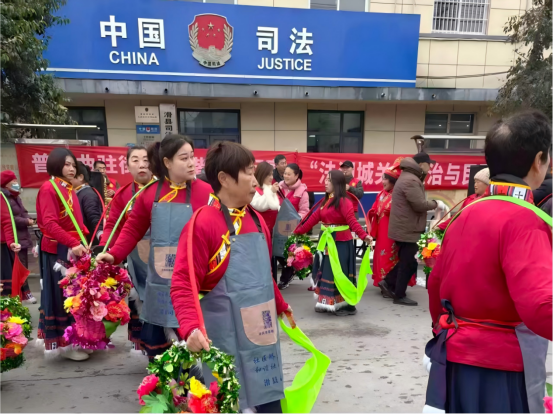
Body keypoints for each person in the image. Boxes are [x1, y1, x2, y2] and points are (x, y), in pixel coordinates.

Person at [425, 110, 553, 414]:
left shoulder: (465, 213)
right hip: (500, 369)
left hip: (455, 357)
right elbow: (541, 307)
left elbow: (435, 284)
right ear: (539, 161)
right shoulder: (526, 221)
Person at [171, 141, 291, 414]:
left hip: (261, 337)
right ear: (224, 178)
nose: (255, 180)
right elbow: (183, 284)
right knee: (231, 402)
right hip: (223, 338)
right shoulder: (203, 223)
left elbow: (264, 275)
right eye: (248, 172)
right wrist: (190, 328)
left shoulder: (257, 220)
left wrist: (280, 304)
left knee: (268, 401)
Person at [96, 135, 212, 360]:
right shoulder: (150, 194)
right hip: (161, 275)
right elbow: (132, 229)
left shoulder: (206, 192)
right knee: (161, 341)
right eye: (184, 158)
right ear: (167, 162)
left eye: (192, 157)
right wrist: (114, 254)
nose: (192, 163)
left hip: (196, 275)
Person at [36, 148, 89, 361]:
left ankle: (78, 339)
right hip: (58, 250)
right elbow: (50, 224)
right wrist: (73, 242)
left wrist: (83, 240)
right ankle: (66, 344)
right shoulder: (49, 188)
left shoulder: (67, 188)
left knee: (76, 297)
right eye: (67, 164)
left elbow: (75, 222)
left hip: (72, 249)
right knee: (63, 299)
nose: (71, 168)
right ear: (56, 164)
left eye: (73, 165)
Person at [99, 145, 153, 354]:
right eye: (135, 160)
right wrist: (105, 248)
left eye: (146, 160)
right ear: (127, 166)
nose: (141, 165)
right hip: (136, 256)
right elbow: (113, 224)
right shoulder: (123, 195)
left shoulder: (164, 189)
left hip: (164, 256)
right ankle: (145, 346)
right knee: (139, 297)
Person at [294, 170, 371, 316]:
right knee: (327, 271)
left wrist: (364, 235)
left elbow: (352, 221)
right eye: (326, 179)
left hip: (341, 243)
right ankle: (327, 302)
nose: (325, 182)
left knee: (338, 273)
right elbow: (313, 218)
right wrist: (297, 231)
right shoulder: (326, 201)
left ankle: (342, 304)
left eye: (329, 180)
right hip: (327, 241)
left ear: (337, 183)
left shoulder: (344, 201)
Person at [379, 153, 445, 306]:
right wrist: (436, 203)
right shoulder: (411, 180)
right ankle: (399, 295)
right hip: (407, 229)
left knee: (408, 261)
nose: (431, 167)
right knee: (408, 262)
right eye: (429, 164)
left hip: (406, 227)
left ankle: (388, 283)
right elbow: (419, 204)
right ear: (421, 164)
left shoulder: (409, 176)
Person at [368, 158, 416, 295]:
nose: (382, 181)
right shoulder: (381, 194)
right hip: (382, 231)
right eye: (382, 178)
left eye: (385, 179)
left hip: (394, 232)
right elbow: (375, 207)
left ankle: (391, 284)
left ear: (393, 181)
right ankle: (383, 283)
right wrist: (373, 211)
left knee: (392, 256)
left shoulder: (398, 195)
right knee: (381, 255)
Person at [0, 170, 36, 303]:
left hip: (18, 238)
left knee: (21, 267)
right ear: (6, 184)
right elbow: (10, 219)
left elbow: (8, 220)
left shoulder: (14, 197)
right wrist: (25, 221)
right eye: (13, 181)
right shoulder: (5, 197)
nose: (16, 183)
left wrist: (29, 219)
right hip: (13, 238)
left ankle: (23, 293)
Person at [277, 163, 309, 289]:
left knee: (288, 253)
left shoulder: (302, 192)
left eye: (289, 174)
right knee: (277, 252)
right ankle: (291, 269)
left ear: (296, 176)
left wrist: (295, 220)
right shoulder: (278, 188)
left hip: (292, 227)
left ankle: (285, 278)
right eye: (285, 173)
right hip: (277, 226)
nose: (286, 176)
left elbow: (304, 211)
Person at [251, 161, 282, 282]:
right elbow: (259, 205)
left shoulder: (269, 189)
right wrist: (271, 192)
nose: (271, 177)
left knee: (271, 260)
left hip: (272, 232)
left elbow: (276, 206)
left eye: (272, 174)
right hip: (260, 232)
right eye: (268, 174)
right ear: (262, 174)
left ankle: (271, 283)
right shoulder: (256, 190)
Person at [72, 162, 104, 245]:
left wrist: (101, 236)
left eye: (71, 175)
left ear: (80, 177)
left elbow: (94, 218)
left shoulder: (88, 194)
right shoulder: (79, 193)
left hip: (88, 243)